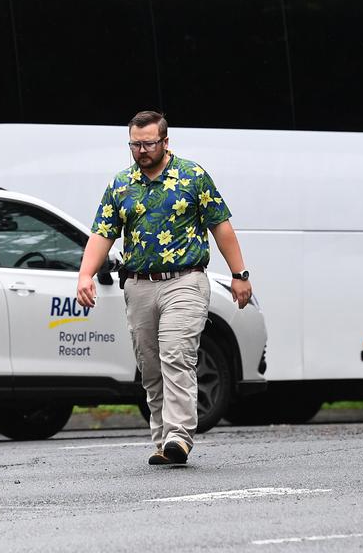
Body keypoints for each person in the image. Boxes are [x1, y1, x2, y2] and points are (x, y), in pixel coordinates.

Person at [76, 110, 253, 466]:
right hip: (139, 285)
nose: (141, 151)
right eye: (135, 144)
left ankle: (179, 436)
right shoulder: (121, 184)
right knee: (150, 366)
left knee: (176, 354)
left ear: (165, 141)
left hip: (185, 281)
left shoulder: (192, 176)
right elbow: (102, 234)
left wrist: (240, 274)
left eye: (148, 144)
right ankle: (163, 439)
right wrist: (85, 275)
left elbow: (221, 226)